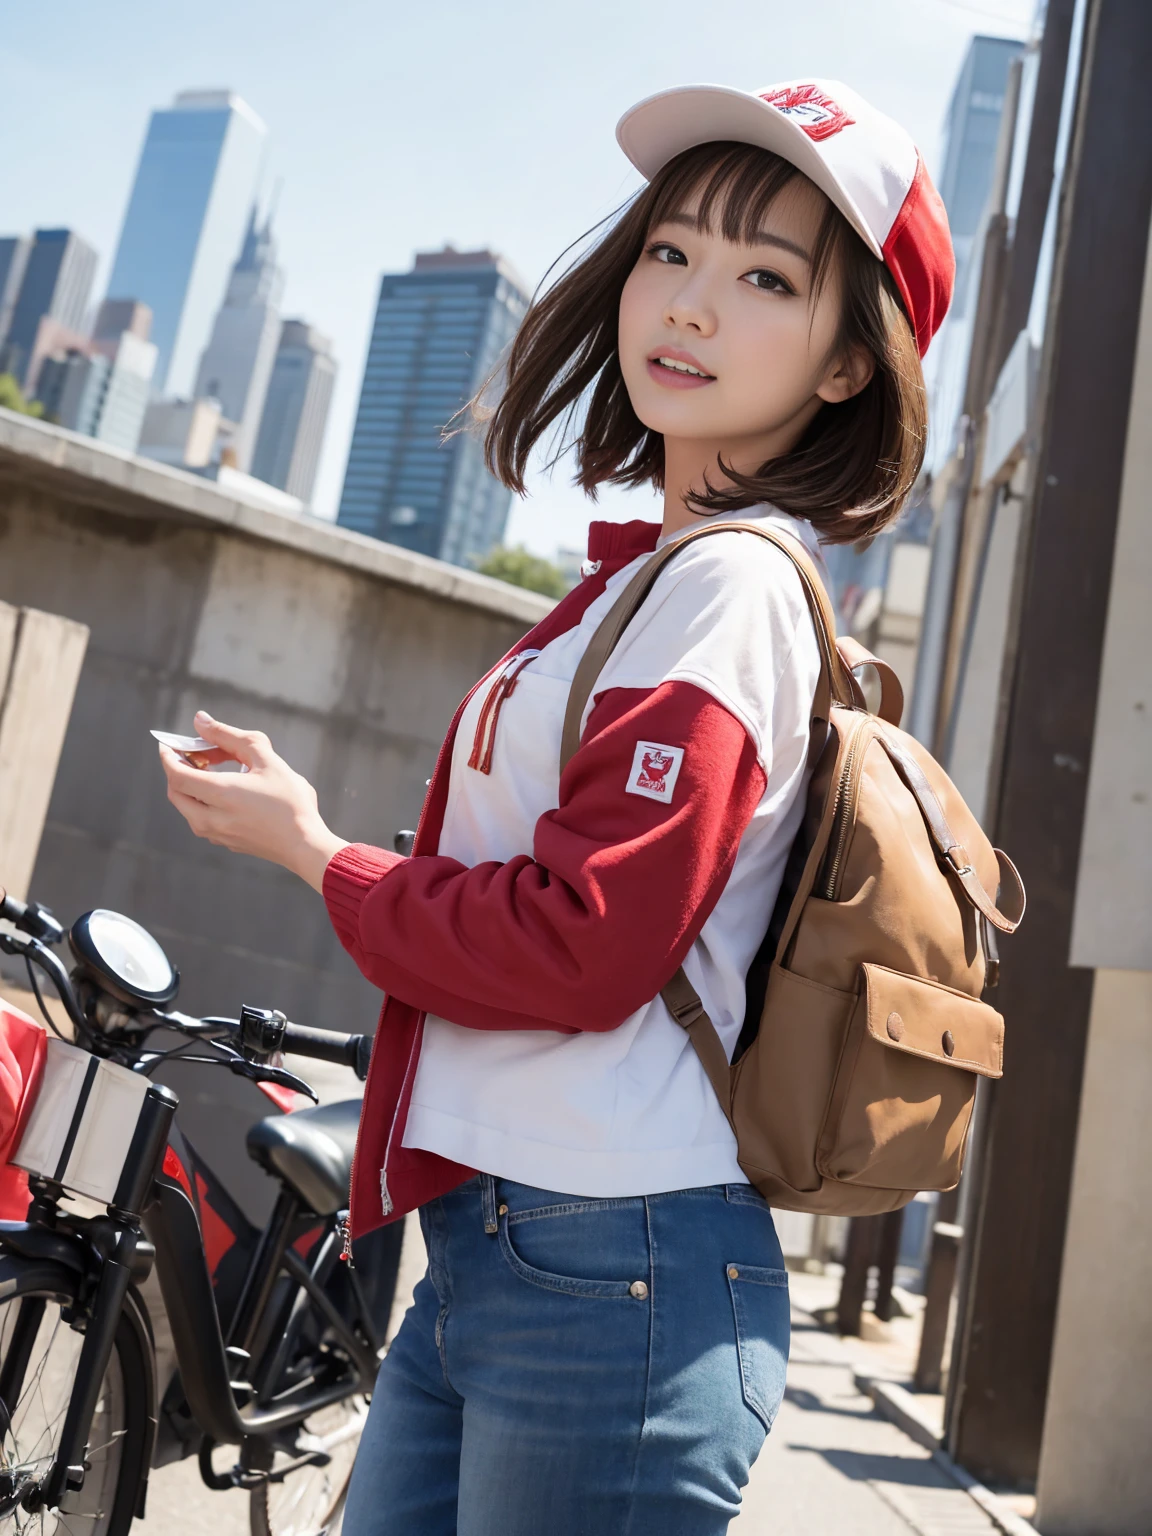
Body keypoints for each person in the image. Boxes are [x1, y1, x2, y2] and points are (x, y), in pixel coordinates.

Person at [159, 77, 953, 1536]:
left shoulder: (723, 591)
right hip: (511, 1250)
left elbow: (585, 945)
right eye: (672, 253)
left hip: (614, 1266)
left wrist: (315, 854)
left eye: (767, 278)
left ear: (851, 366)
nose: (693, 307)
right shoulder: (646, 582)